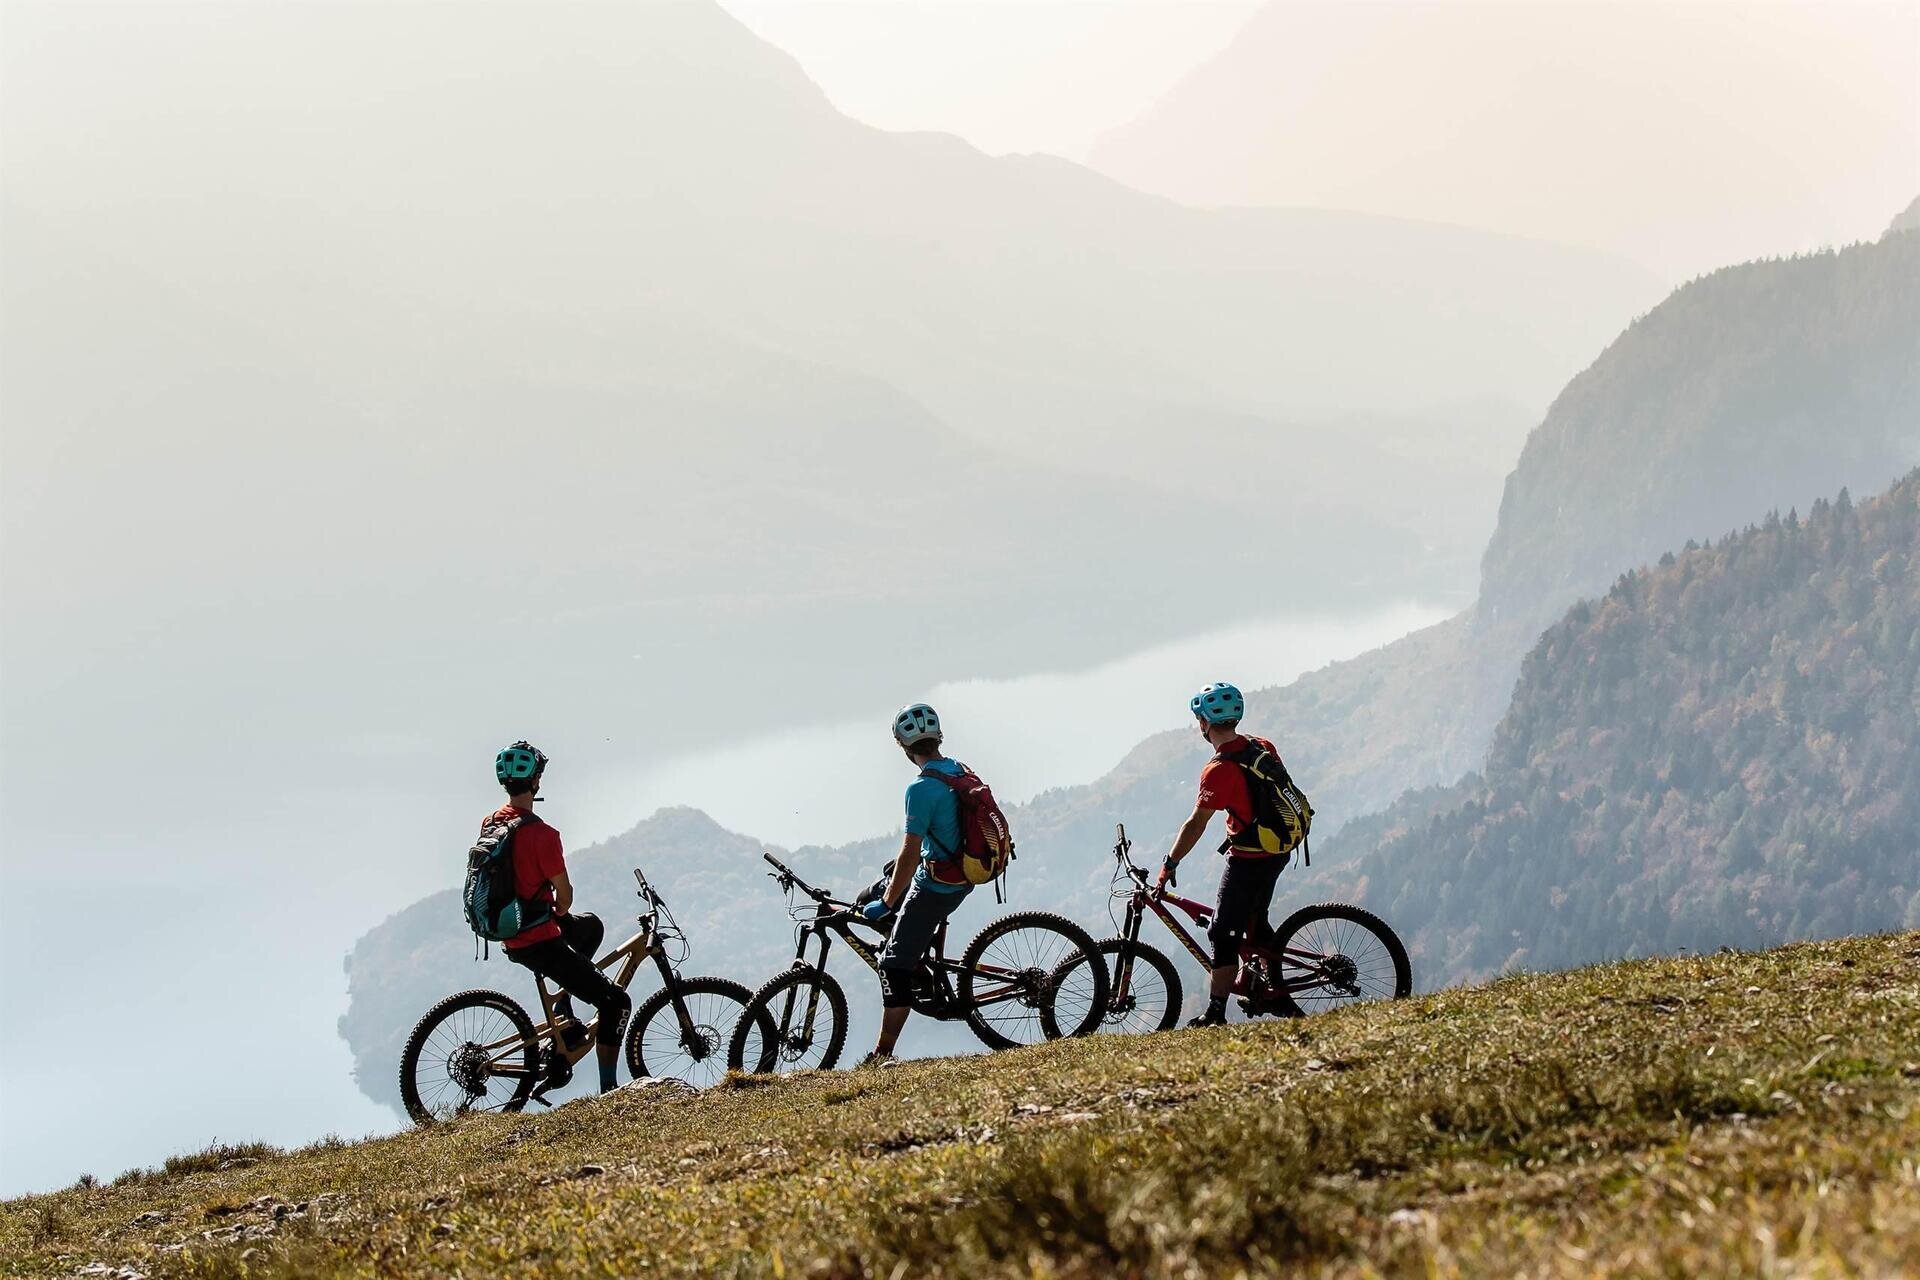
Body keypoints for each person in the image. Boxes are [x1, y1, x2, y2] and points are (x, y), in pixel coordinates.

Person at [488, 740, 631, 1093]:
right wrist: (553, 907)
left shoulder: (492, 822)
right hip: (538, 940)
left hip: (508, 929)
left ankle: (565, 1013)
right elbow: (564, 898)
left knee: (589, 927)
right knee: (616, 1002)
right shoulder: (543, 835)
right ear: (535, 781)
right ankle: (609, 1089)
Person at [1155, 683, 1289, 1027]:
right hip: (1280, 848)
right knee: (1254, 922)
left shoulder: (1219, 769)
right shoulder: (1262, 746)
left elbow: (1195, 824)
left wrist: (1170, 863)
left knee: (1223, 933)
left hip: (1250, 858)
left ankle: (1216, 1013)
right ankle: (1273, 988)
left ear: (1203, 723)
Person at [855, 703, 976, 1066]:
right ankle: (914, 953)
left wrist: (891, 901)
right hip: (961, 868)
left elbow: (910, 853)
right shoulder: (957, 769)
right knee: (866, 899)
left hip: (940, 884)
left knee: (892, 966)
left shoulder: (921, 788)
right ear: (938, 738)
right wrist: (886, 892)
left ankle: (882, 1054)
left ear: (905, 749)